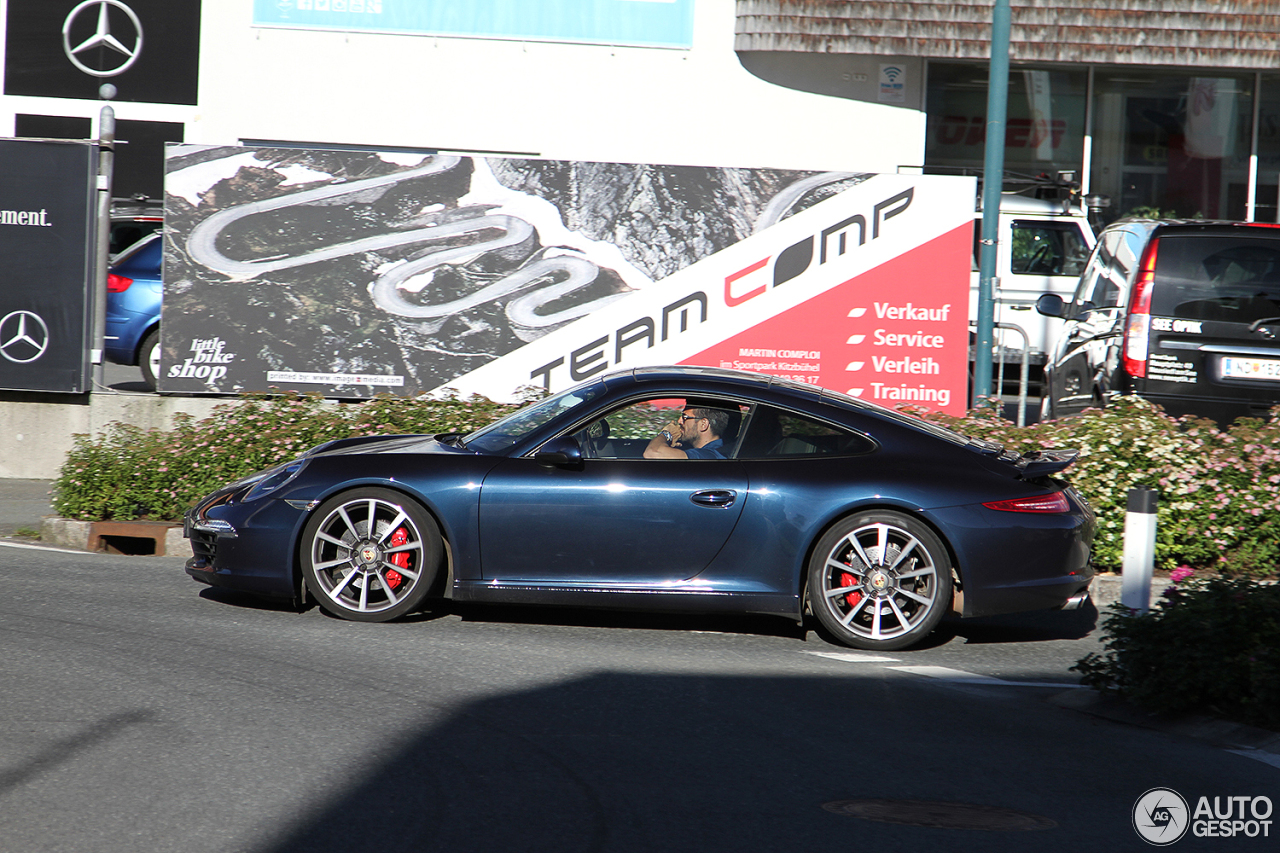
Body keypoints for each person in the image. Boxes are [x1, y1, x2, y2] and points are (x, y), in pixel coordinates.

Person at [644, 405, 729, 459]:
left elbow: (653, 453)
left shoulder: (708, 456)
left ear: (703, 424)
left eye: (685, 417)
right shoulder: (712, 453)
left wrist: (666, 434)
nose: (679, 421)